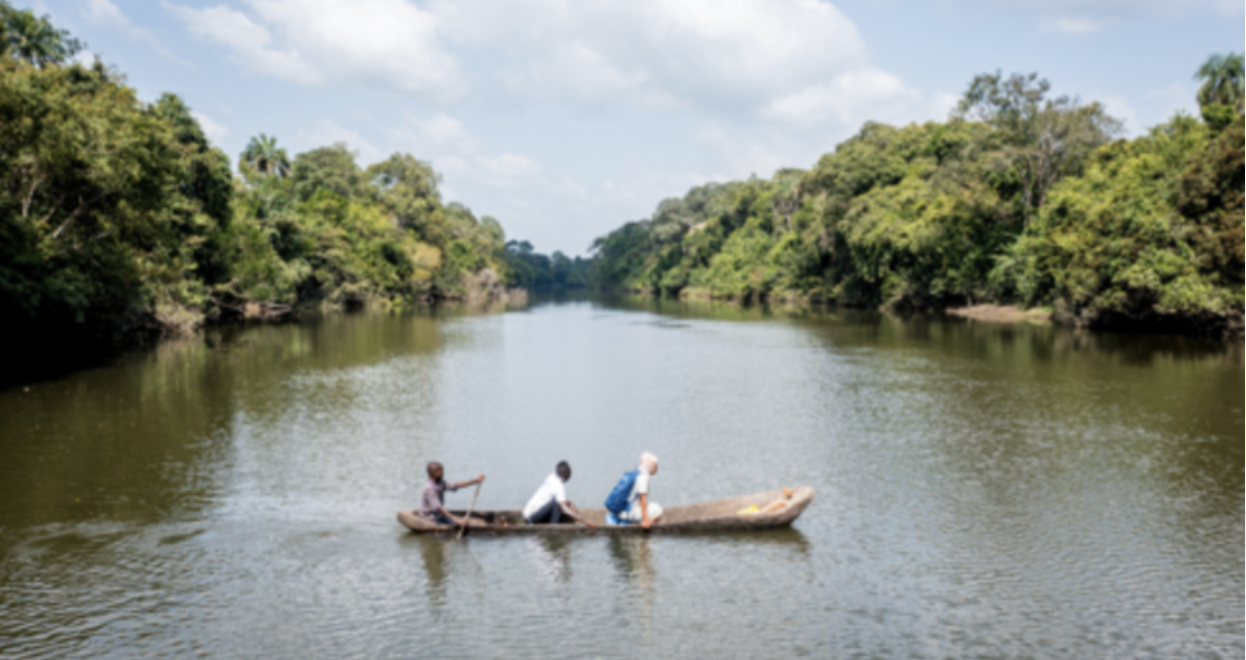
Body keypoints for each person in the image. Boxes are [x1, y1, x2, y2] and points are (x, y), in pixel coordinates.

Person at [523, 461, 597, 528]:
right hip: (533, 517)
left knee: (561, 502)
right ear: (567, 475)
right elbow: (564, 509)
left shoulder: (552, 477)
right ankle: (553, 528)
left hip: (530, 514)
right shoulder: (558, 485)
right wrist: (585, 521)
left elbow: (562, 502)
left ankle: (553, 525)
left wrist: (570, 503)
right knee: (558, 503)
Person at [606, 452, 663, 529]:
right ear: (652, 465)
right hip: (630, 513)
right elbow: (643, 499)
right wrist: (645, 521)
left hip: (620, 511)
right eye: (656, 466)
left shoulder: (634, 473)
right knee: (658, 510)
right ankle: (643, 524)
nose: (656, 468)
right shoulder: (643, 476)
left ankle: (635, 521)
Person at [420, 461, 484, 527]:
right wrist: (457, 520)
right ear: (435, 473)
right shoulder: (430, 489)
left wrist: (475, 481)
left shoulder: (440, 483)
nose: (443, 473)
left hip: (438, 516)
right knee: (456, 525)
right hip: (430, 518)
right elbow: (438, 508)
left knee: (459, 523)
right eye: (441, 471)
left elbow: (456, 485)